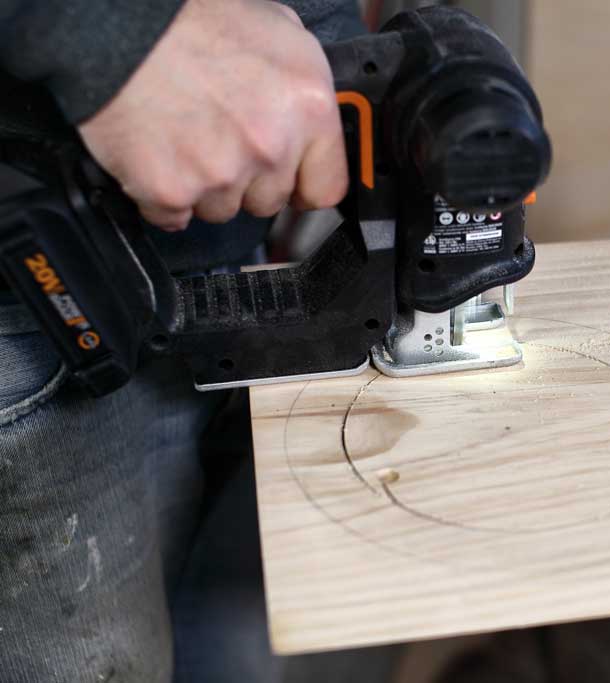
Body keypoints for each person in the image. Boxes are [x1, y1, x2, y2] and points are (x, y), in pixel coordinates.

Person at [0, 1, 398, 680]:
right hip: (39, 291)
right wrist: (119, 34)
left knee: (236, 639)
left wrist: (323, 44)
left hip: (207, 234)